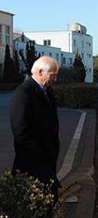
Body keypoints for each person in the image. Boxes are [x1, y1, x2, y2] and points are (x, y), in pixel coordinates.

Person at [10, 56, 61, 203]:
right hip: (33, 163)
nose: (55, 79)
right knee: (36, 204)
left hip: (47, 159)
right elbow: (21, 133)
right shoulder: (23, 93)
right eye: (53, 75)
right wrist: (40, 157)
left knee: (48, 201)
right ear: (40, 72)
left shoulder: (47, 90)